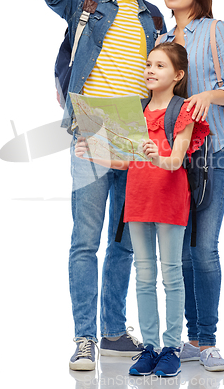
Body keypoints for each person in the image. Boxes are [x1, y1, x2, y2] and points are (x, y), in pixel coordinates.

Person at [0, 0, 166, 371]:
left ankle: (113, 332)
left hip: (135, 136)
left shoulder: (153, 18)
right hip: (91, 131)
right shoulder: (85, 2)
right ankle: (84, 338)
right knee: (85, 242)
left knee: (123, 242)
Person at [76, 42, 210, 377]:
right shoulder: (136, 112)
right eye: (149, 64)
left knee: (172, 277)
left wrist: (157, 157)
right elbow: (124, 160)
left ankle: (171, 348)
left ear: (178, 75)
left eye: (160, 66)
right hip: (137, 201)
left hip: (169, 201)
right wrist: (92, 152)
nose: (150, 70)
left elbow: (177, 160)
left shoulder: (183, 111)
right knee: (144, 276)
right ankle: (150, 348)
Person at [160, 0, 224, 371]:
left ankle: (207, 341)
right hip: (173, 155)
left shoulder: (214, 30)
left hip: (213, 152)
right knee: (182, 253)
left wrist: (210, 97)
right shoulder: (160, 37)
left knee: (204, 248)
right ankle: (189, 339)